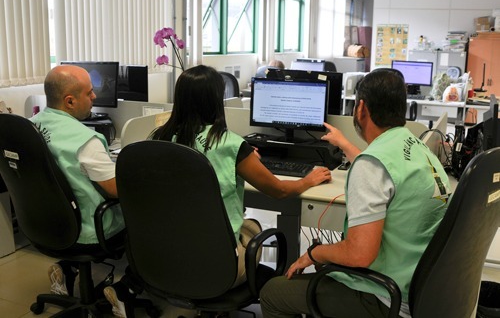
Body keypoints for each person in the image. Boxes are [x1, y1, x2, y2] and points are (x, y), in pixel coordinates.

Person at [103, 64, 331, 317]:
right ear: (215, 100)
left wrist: (244, 157)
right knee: (253, 226)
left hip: (162, 262)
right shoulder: (230, 144)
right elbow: (278, 191)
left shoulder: (157, 138)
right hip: (217, 269)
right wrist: (308, 180)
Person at [260, 69, 452, 318]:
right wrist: (344, 144)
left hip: (383, 297)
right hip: (419, 288)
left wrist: (313, 253)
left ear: (360, 108)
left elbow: (360, 254)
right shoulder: (416, 145)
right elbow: (379, 167)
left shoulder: (371, 165)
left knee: (274, 293)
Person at [30, 65, 125, 297]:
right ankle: (128, 288)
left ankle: (66, 267)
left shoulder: (30, 125)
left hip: (43, 225)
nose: (94, 97)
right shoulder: (86, 141)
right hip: (87, 230)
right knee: (143, 213)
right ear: (70, 101)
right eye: (89, 93)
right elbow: (116, 191)